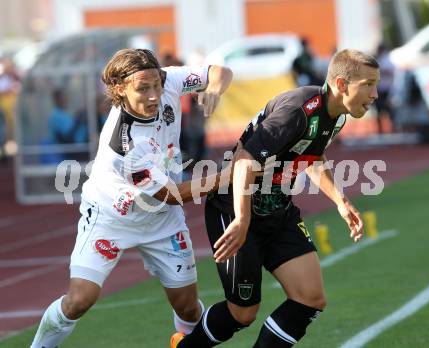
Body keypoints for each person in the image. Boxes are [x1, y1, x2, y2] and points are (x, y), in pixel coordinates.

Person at [172, 49, 379, 347]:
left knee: (310, 298)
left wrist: (340, 201)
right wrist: (242, 219)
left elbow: (312, 156)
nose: (375, 94)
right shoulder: (298, 110)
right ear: (342, 84)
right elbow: (244, 160)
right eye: (368, 84)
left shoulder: (336, 115)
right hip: (234, 208)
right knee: (242, 314)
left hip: (277, 208)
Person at [31, 48, 233, 348]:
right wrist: (231, 177)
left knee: (188, 308)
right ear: (120, 89)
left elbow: (219, 71)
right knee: (79, 300)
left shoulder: (167, 79)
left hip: (161, 220)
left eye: (156, 86)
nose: (154, 95)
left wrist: (214, 89)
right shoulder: (123, 144)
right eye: (143, 89)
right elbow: (171, 194)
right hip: (112, 217)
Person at [375, 43, 395, 133]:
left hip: (386, 89)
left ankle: (392, 128)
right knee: (379, 110)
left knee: (389, 110)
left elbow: (390, 71)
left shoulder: (386, 59)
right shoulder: (379, 59)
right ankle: (381, 130)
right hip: (380, 89)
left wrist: (380, 71)